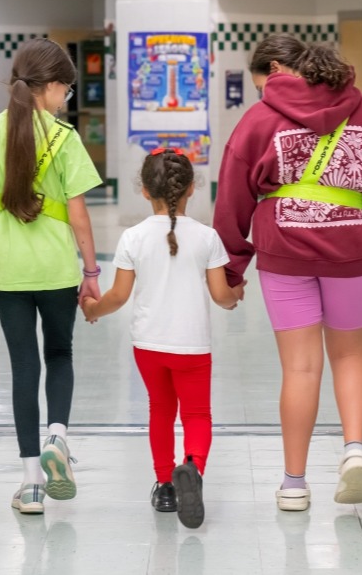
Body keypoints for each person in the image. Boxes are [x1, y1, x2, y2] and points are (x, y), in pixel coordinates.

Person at [213, 34, 362, 512]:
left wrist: (232, 265)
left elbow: (232, 194)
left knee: (300, 367)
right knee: (351, 358)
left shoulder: (260, 119)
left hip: (283, 250)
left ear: (273, 71)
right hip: (350, 249)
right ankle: (354, 450)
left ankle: (294, 483)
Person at [0, 38, 103, 515]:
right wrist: (90, 269)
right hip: (57, 267)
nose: (66, 97)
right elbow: (80, 215)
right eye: (66, 88)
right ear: (52, 86)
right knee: (59, 354)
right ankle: (58, 440)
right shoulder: (65, 137)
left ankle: (30, 485)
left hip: (9, 269)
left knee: (24, 367)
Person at [81, 148, 241, 529]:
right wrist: (236, 297)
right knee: (197, 414)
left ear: (143, 191)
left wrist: (92, 309)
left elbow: (118, 296)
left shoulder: (132, 237)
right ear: (190, 190)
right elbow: (221, 296)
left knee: (161, 411)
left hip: (149, 346)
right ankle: (193, 469)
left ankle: (166, 485)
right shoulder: (207, 237)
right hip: (192, 346)